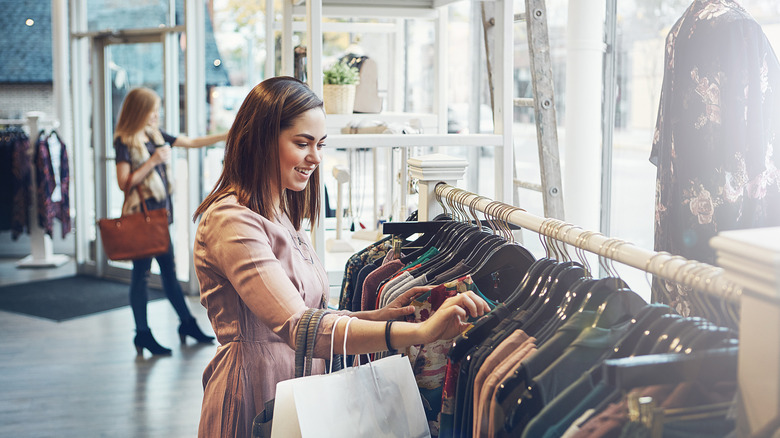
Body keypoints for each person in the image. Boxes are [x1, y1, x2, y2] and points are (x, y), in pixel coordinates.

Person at [192, 76, 490, 438]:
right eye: (302, 143)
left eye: (319, 144)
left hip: (297, 387)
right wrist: (418, 332)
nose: (315, 157)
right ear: (261, 140)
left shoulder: (279, 210)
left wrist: (374, 316)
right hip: (255, 389)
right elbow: (300, 327)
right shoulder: (232, 220)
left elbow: (310, 316)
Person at [650, 0, 780, 316]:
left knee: (684, 317)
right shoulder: (739, 28)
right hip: (730, 211)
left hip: (683, 199)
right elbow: (760, 134)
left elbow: (665, 137)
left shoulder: (681, 27)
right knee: (728, 318)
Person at [113, 86, 227, 356]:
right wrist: (153, 161)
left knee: (168, 272)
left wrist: (229, 133)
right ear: (140, 110)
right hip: (142, 218)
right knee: (141, 276)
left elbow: (191, 142)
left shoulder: (154, 135)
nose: (156, 114)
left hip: (160, 217)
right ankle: (145, 333)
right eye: (153, 109)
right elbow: (123, 183)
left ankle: (185, 324)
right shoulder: (125, 140)